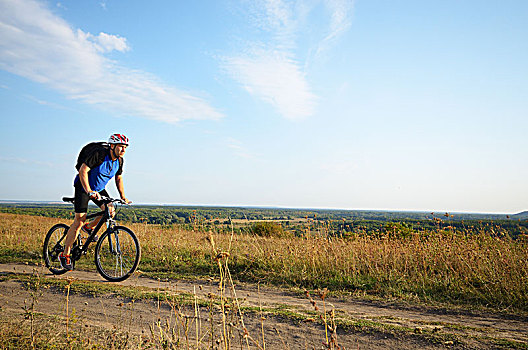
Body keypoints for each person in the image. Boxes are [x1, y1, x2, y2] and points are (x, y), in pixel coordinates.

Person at [58, 134, 131, 270]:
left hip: (99, 189)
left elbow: (118, 178)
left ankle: (89, 227)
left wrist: (123, 196)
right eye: (121, 146)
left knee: (110, 211)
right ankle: (65, 254)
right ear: (112, 146)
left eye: (125, 147)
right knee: (79, 220)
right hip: (83, 186)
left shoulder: (120, 161)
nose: (123, 150)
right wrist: (89, 191)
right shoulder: (99, 154)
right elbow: (83, 171)